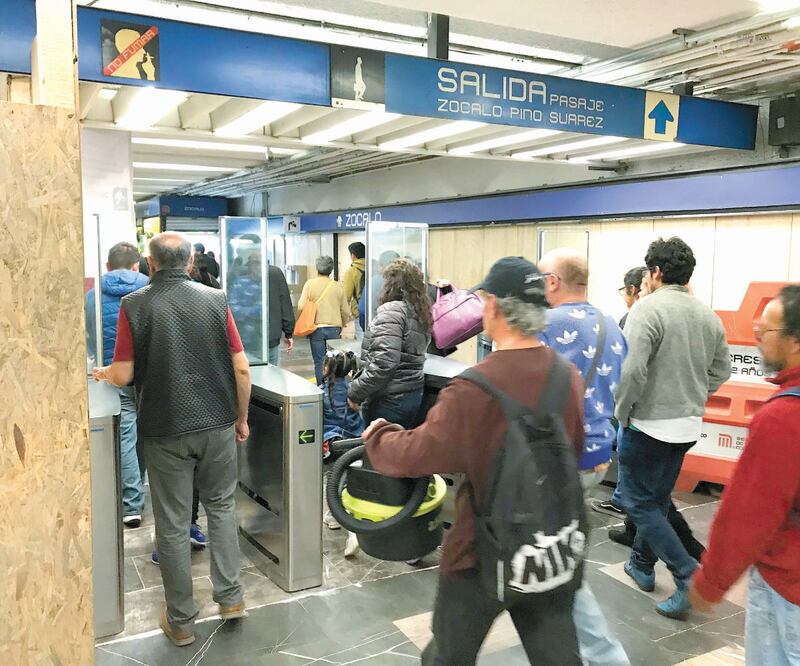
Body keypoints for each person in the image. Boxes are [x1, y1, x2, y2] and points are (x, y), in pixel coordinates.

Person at [361, 257, 586, 664]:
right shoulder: (566, 376)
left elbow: (418, 453)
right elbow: (575, 448)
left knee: (448, 655)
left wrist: (378, 435)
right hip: (551, 546)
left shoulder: (475, 387)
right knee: (558, 656)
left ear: (494, 307)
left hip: (481, 553)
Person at [92, 232, 251, 647]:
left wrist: (105, 374)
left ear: (152, 262)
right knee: (221, 507)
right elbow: (241, 368)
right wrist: (241, 417)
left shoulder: (135, 304)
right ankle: (231, 598)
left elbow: (124, 374)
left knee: (174, 524)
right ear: (190, 262)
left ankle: (180, 621)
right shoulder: (215, 300)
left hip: (164, 430)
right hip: (217, 424)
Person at [615, 237, 731, 619]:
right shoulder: (707, 315)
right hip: (688, 426)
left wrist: (623, 412)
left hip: (648, 424)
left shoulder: (647, 309)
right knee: (659, 500)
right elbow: (722, 370)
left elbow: (631, 371)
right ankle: (641, 564)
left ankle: (687, 575)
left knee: (638, 503)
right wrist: (694, 394)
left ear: (656, 271)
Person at [689, 285, 800, 663]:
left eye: (765, 331)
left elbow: (748, 514)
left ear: (794, 340)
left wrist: (711, 582)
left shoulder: (782, 418)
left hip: (788, 585)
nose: (758, 339)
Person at [536, 249, 630, 666]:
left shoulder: (545, 324)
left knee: (559, 564)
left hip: (556, 459)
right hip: (598, 456)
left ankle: (606, 656)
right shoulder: (612, 325)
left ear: (553, 281)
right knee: (554, 554)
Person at [85, 242, 149, 528]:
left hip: (113, 374)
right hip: (149, 374)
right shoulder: (150, 288)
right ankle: (139, 489)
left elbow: (91, 336)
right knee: (145, 433)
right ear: (136, 265)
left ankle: (131, 503)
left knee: (125, 435)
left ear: (107, 266)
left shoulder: (93, 296)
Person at [347, 258, 431, 429]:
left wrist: (355, 392)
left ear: (391, 284)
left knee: (379, 444)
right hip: (412, 394)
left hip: (388, 399)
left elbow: (384, 363)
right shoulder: (419, 312)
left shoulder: (392, 311)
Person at [298, 255, 351, 385]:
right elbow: (345, 311)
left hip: (316, 328)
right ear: (331, 270)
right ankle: (333, 388)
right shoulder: (338, 286)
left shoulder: (310, 284)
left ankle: (321, 387)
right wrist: (342, 324)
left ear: (317, 269)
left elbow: (300, 306)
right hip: (334, 328)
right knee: (334, 361)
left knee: (319, 361)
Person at [268, 264, 295, 366]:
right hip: (271, 336)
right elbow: (285, 304)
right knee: (271, 371)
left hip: (245, 339)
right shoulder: (275, 273)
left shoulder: (237, 272)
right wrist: (288, 333)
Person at [342, 242, 366, 333]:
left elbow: (346, 296)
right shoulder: (374, 267)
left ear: (353, 256)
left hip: (359, 311)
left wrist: (343, 317)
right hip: (375, 311)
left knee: (361, 338)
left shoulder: (351, 271)